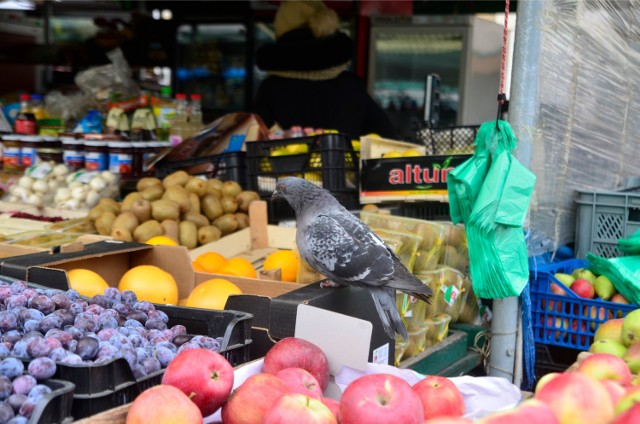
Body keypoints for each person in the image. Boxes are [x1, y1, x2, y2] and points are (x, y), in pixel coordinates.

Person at [254, 0, 397, 140]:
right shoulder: (352, 86)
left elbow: (253, 140)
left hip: (284, 163)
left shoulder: (270, 88)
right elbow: (386, 137)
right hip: (346, 163)